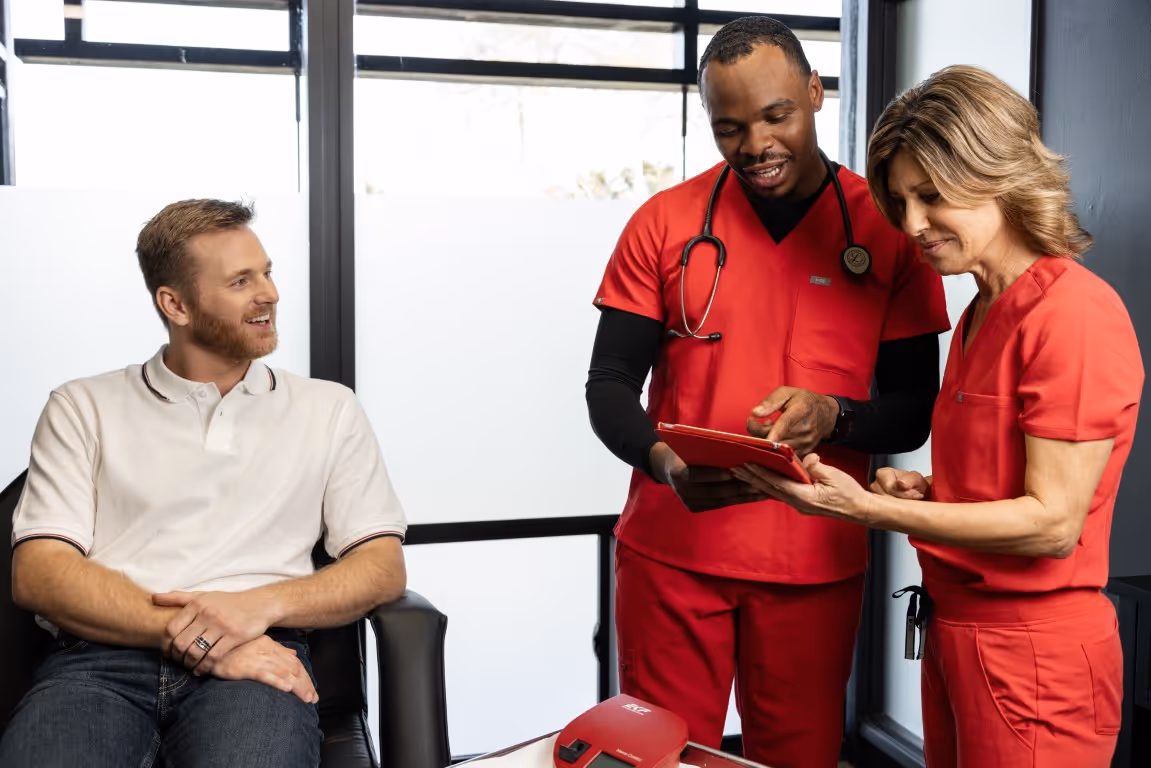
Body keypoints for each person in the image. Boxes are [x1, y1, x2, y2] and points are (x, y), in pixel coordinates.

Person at [733, 65, 1142, 768]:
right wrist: (927, 493)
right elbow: (1007, 487)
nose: (912, 226)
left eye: (931, 196)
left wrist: (868, 510)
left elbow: (1050, 524)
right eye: (899, 200)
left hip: (1034, 653)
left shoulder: (1072, 313)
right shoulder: (978, 313)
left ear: (1000, 175)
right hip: (957, 634)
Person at [585, 16, 950, 768]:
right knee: (660, 759)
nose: (754, 145)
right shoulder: (664, 223)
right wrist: (664, 464)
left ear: (815, 93)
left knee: (798, 757)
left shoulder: (888, 232)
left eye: (776, 115)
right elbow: (609, 384)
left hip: (812, 558)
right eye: (728, 127)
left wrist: (836, 414)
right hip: (672, 555)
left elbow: (913, 410)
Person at [0, 199, 408, 768]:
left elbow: (382, 567)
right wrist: (202, 639)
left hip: (259, 660)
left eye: (266, 272)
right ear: (176, 304)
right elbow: (41, 575)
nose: (270, 293)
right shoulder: (81, 406)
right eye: (242, 280)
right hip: (98, 664)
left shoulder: (330, 409)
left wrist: (251, 610)